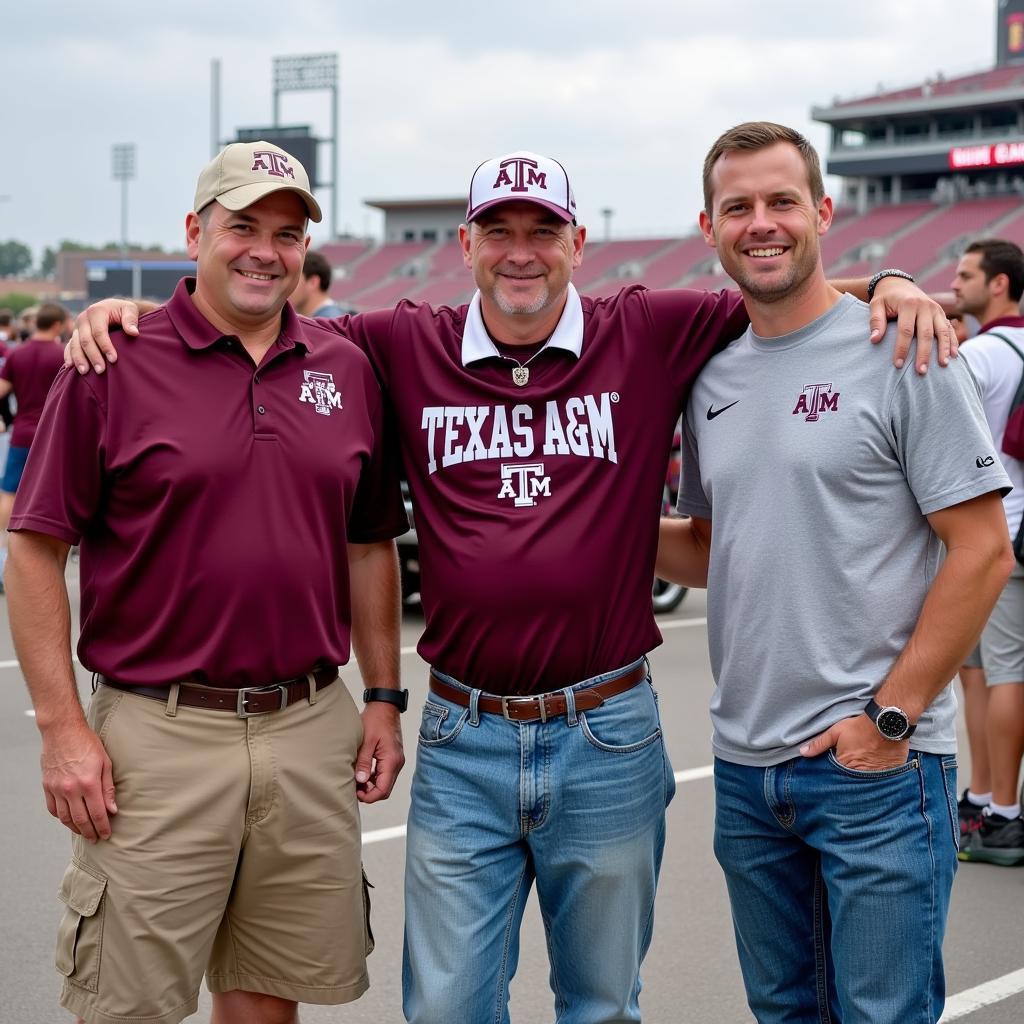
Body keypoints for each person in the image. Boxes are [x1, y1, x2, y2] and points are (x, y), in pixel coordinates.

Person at [69, 149, 956, 1024]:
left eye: (543, 231)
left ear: (578, 242)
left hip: (607, 729)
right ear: (466, 243)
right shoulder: (400, 340)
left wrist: (891, 281)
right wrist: (135, 314)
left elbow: (785, 287)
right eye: (499, 231)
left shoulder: (648, 328)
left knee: (602, 1005)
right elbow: (246, 315)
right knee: (449, 1005)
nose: (520, 252)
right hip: (464, 734)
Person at [7, 140, 408, 1024]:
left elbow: (370, 541)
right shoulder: (114, 359)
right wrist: (63, 727)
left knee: (267, 998)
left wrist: (383, 696)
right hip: (159, 733)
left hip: (308, 725)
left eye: (288, 232)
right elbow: (34, 550)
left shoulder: (345, 366)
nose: (266, 249)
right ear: (195, 233)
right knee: (127, 1005)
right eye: (243, 227)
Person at [656, 122, 1014, 1024]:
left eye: (782, 201)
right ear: (709, 228)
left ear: (823, 211)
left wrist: (890, 716)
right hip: (746, 771)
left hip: (878, 771)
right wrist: (596, 528)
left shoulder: (903, 348)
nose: (761, 223)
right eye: (738, 207)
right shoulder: (712, 375)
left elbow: (982, 550)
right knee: (785, 1015)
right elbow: (714, 546)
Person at [949, 238, 1024, 865]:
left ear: (998, 284)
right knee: (982, 670)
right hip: (1010, 526)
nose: (955, 282)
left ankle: (1001, 807)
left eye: (967, 274)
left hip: (997, 528)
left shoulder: (980, 352)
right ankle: (982, 795)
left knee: (998, 672)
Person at [0, 301, 69, 587]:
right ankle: (46, 561)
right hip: (55, 436)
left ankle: (3, 549)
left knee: (9, 492)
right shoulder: (64, 354)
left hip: (22, 434)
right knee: (55, 497)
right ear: (56, 325)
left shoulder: (18, 355)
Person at [291, 249, 348, 317]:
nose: (288, 286)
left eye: (294, 279)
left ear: (313, 282)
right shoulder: (329, 319)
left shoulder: (327, 322)